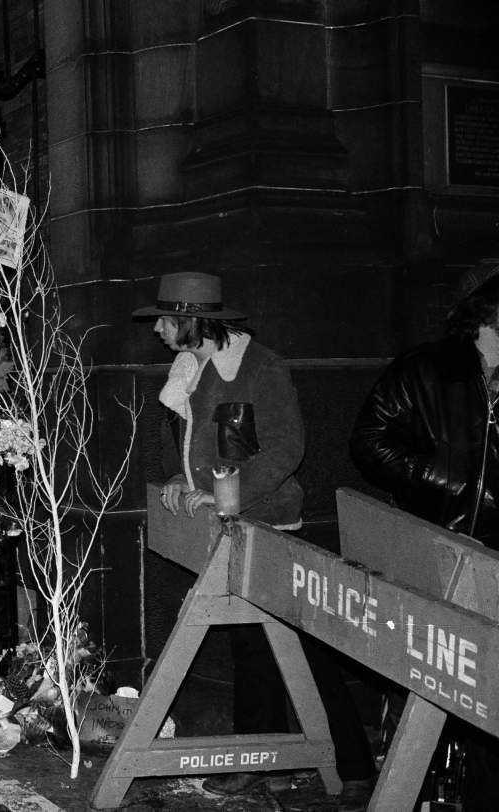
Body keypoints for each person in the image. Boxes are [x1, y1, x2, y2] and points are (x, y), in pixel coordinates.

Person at [135, 272, 374, 806]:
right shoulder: (185, 370)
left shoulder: (261, 367)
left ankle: (355, 764)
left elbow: (286, 449)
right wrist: (179, 480)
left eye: (163, 319)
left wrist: (226, 497)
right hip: (218, 531)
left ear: (190, 319)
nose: (156, 330)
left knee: (310, 648)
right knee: (250, 649)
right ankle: (259, 762)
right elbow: (186, 445)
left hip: (268, 527)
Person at [350, 267, 499, 810]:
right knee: (432, 678)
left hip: (495, 562)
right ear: (489, 317)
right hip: (434, 546)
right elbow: (369, 443)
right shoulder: (425, 369)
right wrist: (453, 487)